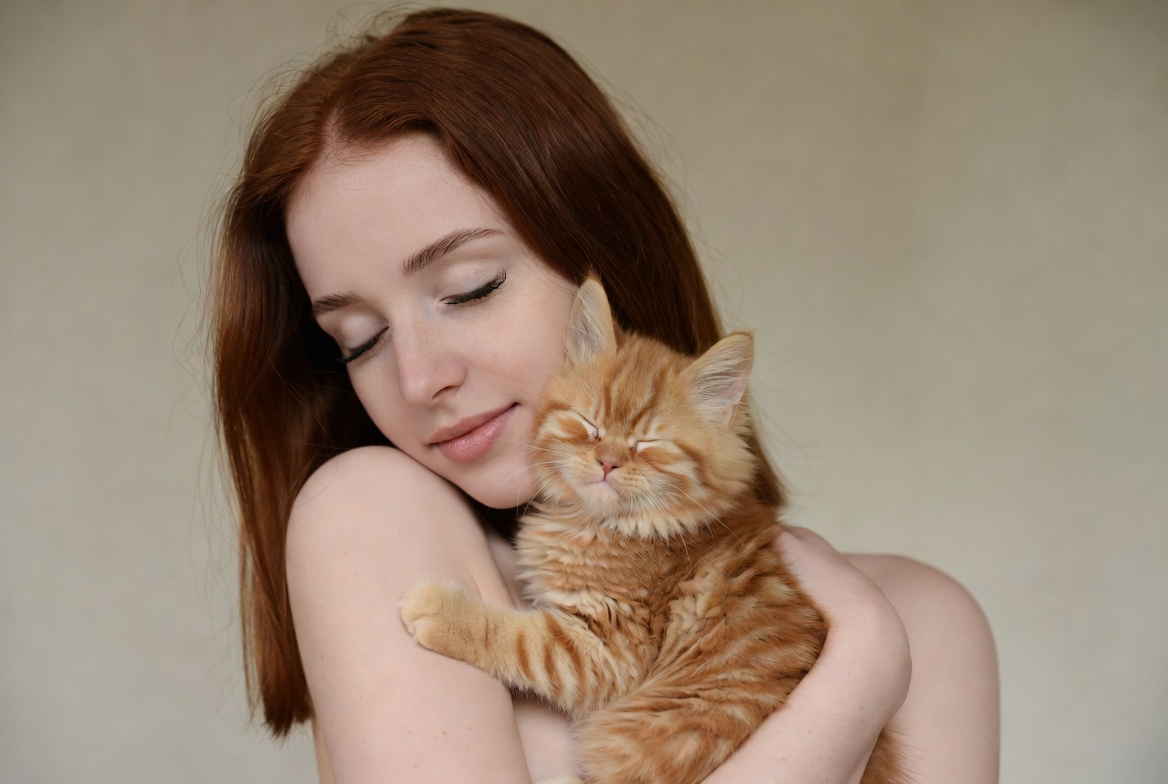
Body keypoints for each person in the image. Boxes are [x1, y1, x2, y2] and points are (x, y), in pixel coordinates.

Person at [210, 8, 999, 783]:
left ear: (604, 266)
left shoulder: (926, 615)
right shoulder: (370, 516)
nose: (420, 380)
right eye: (359, 340)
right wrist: (859, 671)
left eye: (470, 288)